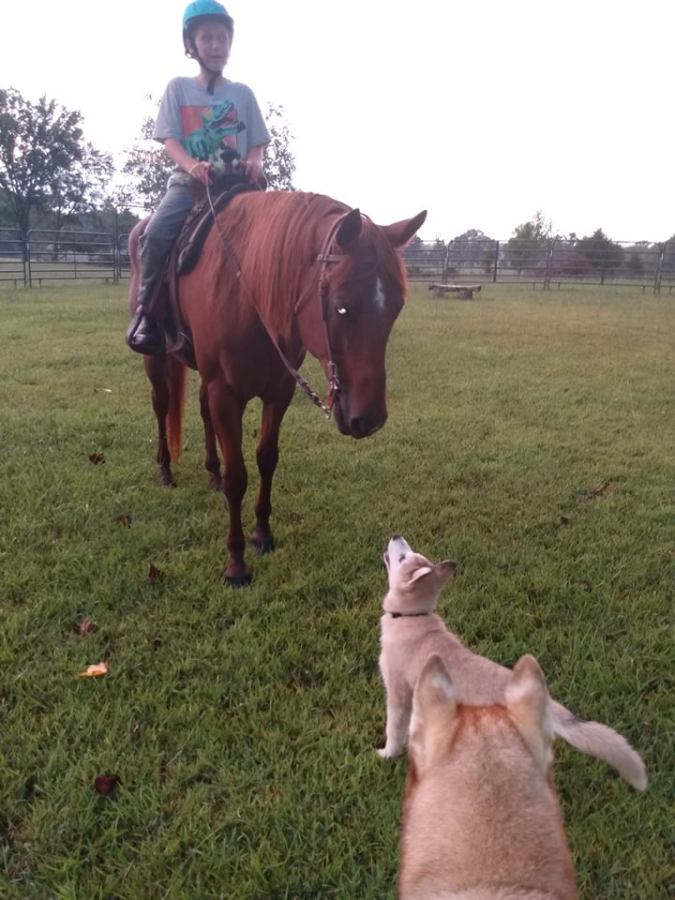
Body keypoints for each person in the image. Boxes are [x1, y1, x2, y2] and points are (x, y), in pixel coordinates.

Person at [126, 0, 270, 355]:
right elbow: (170, 141)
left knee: (279, 235)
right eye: (207, 38)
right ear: (191, 44)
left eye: (222, 37)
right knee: (155, 233)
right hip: (191, 185)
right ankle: (148, 313)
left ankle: (279, 312)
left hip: (239, 186)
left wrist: (255, 162)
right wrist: (191, 164)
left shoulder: (243, 94)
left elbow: (257, 143)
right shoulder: (178, 88)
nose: (216, 45)